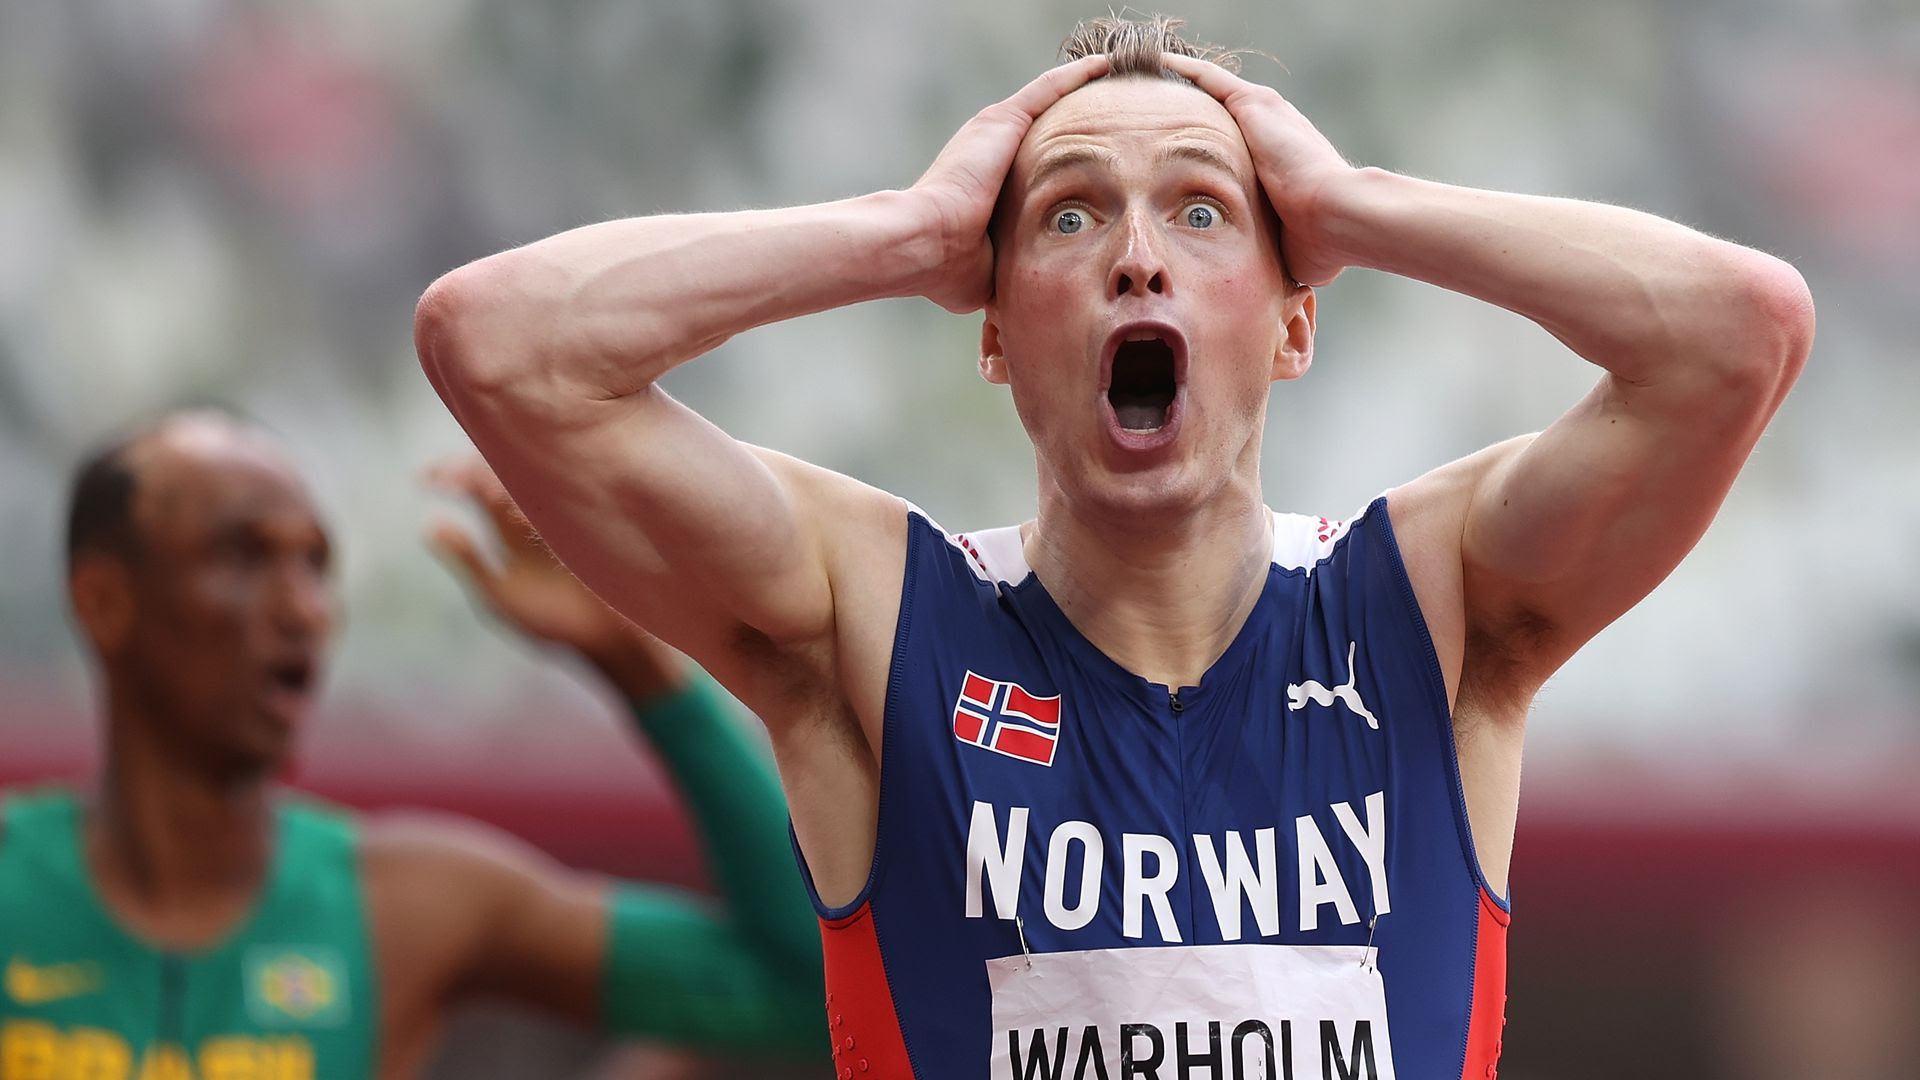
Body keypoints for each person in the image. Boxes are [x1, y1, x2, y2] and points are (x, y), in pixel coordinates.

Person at [412, 14, 1813, 1079]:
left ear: (1293, 324)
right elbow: (498, 344)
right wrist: (901, 232)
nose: (1137, 257)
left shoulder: (1434, 606)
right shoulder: (880, 618)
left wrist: (1352, 206)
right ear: (997, 333)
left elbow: (1738, 332)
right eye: (1070, 215)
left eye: (1201, 213)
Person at [0, 411, 823, 1079]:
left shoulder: (408, 905)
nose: (304, 610)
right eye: (243, 554)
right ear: (104, 601)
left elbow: (806, 984)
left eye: (317, 565)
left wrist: (640, 670)